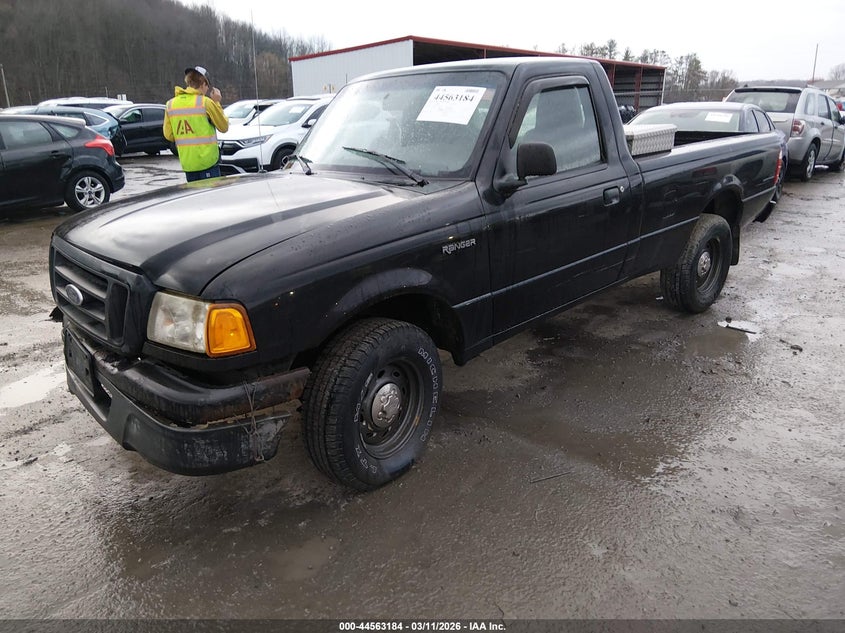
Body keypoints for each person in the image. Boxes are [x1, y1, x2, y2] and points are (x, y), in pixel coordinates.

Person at [163, 65, 229, 181]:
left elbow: (168, 135)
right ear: (203, 84)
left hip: (188, 164)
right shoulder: (205, 103)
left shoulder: (171, 104)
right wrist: (217, 103)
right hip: (208, 163)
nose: (207, 90)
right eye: (207, 86)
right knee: (210, 197)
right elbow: (223, 126)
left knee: (194, 197)